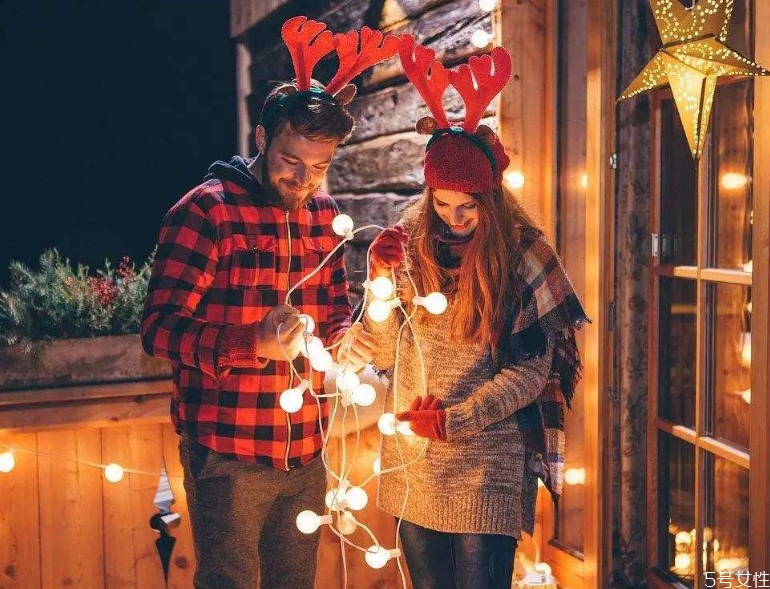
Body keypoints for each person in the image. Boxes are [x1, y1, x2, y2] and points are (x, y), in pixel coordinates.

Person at [141, 16, 396, 589]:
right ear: (262, 139)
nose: (305, 181)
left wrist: (351, 337)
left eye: (321, 166)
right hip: (226, 452)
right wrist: (251, 343)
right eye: (291, 162)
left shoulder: (325, 214)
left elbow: (333, 322)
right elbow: (158, 330)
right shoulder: (206, 212)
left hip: (306, 451)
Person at [362, 35, 588, 589]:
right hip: (415, 469)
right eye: (441, 204)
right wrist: (377, 283)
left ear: (490, 197)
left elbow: (532, 373)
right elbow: (387, 348)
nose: (454, 219)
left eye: (468, 207)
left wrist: (455, 419)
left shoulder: (523, 254)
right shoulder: (410, 243)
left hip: (488, 467)